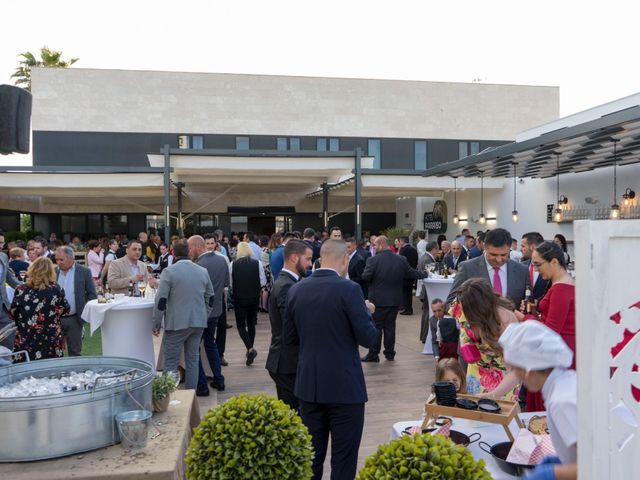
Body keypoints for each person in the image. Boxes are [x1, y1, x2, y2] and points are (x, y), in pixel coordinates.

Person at [284, 239, 377, 480]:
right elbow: (368, 338)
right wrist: (367, 312)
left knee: (311, 459)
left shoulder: (296, 290)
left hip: (309, 387)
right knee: (343, 461)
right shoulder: (350, 290)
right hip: (345, 388)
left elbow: (290, 339)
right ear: (345, 259)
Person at [499, 321, 577, 480]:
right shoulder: (566, 383)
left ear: (527, 371)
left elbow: (597, 464)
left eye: (514, 370)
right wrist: (563, 462)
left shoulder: (561, 401)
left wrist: (553, 473)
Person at [517, 241, 576, 413]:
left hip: (556, 354)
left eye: (538, 264)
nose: (535, 270)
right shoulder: (564, 284)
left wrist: (523, 317)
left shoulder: (560, 289)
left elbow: (550, 331)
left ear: (555, 262)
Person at [152, 239, 214, 390]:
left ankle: (168, 396)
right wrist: (204, 315)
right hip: (198, 322)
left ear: (173, 253)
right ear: (189, 252)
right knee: (192, 360)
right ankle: (191, 395)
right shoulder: (202, 271)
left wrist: (156, 323)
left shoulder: (169, 272)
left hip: (177, 323)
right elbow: (211, 297)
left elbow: (161, 300)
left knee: (170, 363)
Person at [361, 235, 428, 362]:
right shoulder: (401, 259)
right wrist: (425, 274)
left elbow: (365, 276)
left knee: (377, 327)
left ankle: (373, 354)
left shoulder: (373, 260)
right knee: (390, 327)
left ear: (381, 245)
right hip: (394, 300)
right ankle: (390, 353)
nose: (373, 247)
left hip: (377, 300)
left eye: (375, 245)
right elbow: (411, 273)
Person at [453, 278, 520, 400]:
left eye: (466, 311)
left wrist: (492, 395)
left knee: (498, 413)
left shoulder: (505, 322)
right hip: (477, 373)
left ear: (477, 309)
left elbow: (517, 371)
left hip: (503, 380)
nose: (464, 315)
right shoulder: (465, 305)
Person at [266, 239, 313, 410]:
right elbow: (291, 327)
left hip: (286, 361)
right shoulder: (287, 286)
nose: (310, 264)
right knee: (294, 417)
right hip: (286, 362)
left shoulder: (288, 283)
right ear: (294, 257)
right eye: (307, 259)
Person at [445, 228, 529, 309]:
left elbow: (528, 302)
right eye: (493, 255)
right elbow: (450, 303)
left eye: (504, 255)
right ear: (484, 247)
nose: (499, 260)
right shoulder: (467, 268)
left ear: (510, 249)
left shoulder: (522, 271)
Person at [188, 235, 229, 396]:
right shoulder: (222, 260)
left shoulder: (198, 266)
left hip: (200, 313)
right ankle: (219, 380)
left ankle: (202, 386)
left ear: (199, 247)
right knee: (211, 345)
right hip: (216, 311)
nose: (189, 252)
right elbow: (226, 284)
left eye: (191, 248)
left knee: (194, 349)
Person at [11, 257, 70, 361]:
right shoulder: (57, 289)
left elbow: (13, 312)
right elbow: (66, 310)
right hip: (50, 336)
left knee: (24, 370)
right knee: (51, 370)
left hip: (26, 336)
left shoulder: (21, 289)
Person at [54, 246, 97, 356]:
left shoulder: (84, 272)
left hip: (75, 319)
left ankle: (75, 373)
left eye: (61, 259)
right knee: (54, 351)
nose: (58, 262)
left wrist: (85, 312)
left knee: (75, 351)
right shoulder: (53, 272)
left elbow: (92, 294)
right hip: (55, 319)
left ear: (70, 258)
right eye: (56, 259)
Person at [231, 241, 266, 366]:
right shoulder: (258, 264)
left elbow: (231, 282)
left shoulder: (233, 264)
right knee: (251, 324)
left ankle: (250, 348)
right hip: (254, 297)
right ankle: (249, 349)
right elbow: (263, 281)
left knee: (241, 325)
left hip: (239, 297)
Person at [1, 234, 22, 349]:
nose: (1, 246)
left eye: (2, 243)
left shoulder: (3, 257)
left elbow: (10, 279)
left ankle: (9, 365)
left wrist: (30, 287)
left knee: (10, 344)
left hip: (3, 308)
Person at [520, 232, 548, 300]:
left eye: (523, 246)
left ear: (532, 247)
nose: (521, 249)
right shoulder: (521, 266)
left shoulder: (549, 267)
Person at [398, 236, 419, 315]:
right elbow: (416, 261)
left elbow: (401, 262)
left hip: (404, 275)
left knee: (404, 293)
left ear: (402, 241)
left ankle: (407, 309)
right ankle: (409, 308)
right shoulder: (414, 250)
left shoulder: (403, 250)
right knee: (409, 293)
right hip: (412, 273)